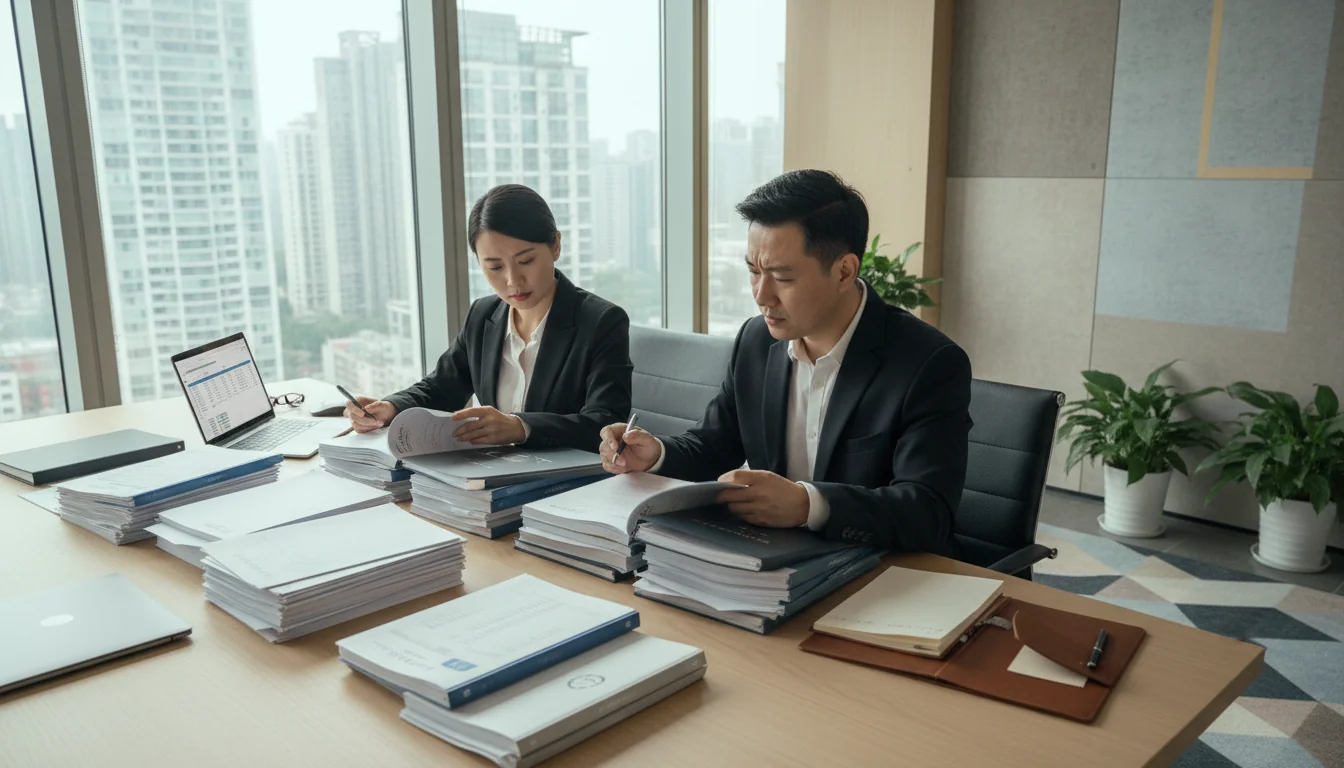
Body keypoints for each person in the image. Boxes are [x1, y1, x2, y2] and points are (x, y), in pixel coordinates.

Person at [600, 169, 971, 556]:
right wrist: (656, 453)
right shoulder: (756, 340)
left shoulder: (928, 363)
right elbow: (713, 446)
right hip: (773, 564)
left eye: (782, 278)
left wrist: (807, 505)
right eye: (754, 272)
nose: (762, 296)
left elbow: (928, 512)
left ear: (844, 271)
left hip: (881, 574)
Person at [345, 184, 632, 453]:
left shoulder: (601, 322)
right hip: (493, 475)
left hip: (568, 484)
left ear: (555, 246)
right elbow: (442, 388)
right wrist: (391, 406)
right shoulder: (483, 315)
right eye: (494, 267)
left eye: (526, 261)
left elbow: (605, 423)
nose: (512, 280)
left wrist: (521, 427)